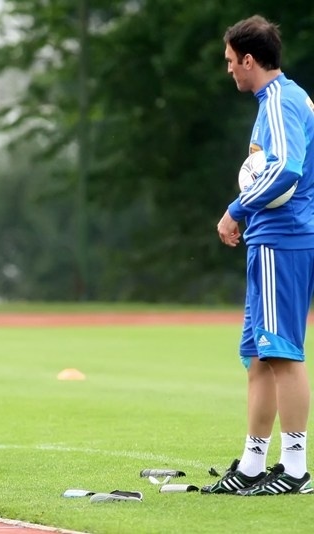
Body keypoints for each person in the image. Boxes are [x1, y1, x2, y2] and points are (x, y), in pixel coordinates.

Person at [207, 15, 313, 496]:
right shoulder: (285, 99)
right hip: (274, 238)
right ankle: (253, 465)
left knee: (282, 353)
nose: (229, 68)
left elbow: (287, 168)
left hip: (281, 239)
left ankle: (295, 469)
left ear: (249, 59)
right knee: (258, 357)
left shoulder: (279, 100)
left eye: (231, 60)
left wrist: (236, 209)